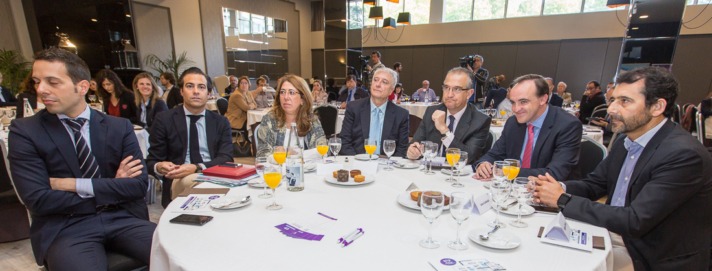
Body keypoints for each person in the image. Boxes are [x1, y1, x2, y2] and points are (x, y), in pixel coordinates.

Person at [533, 67, 712, 270]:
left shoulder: (683, 155)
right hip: (617, 236)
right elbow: (595, 185)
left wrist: (562, 199)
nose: (611, 109)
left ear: (657, 107)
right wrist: (557, 187)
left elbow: (634, 220)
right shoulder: (626, 141)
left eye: (624, 101)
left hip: (651, 256)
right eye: (613, 100)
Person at [8, 48, 155, 270]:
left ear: (82, 87)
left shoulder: (119, 127)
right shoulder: (25, 131)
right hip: (65, 226)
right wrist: (112, 187)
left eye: (53, 82)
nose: (41, 90)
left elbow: (137, 186)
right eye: (37, 81)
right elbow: (38, 199)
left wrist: (73, 185)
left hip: (124, 219)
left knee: (184, 255)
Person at [146, 67, 233, 208]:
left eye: (201, 87)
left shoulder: (220, 122)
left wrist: (196, 167)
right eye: (190, 86)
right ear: (181, 91)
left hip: (212, 175)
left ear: (209, 93)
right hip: (178, 178)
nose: (196, 91)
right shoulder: (164, 120)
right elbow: (152, 161)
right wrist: (160, 166)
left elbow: (226, 157)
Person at [473, 74, 582, 181]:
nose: (515, 109)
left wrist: (505, 172)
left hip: (549, 194)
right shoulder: (513, 122)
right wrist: (484, 164)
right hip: (512, 190)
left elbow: (555, 173)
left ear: (543, 99)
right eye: (513, 102)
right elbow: (494, 154)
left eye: (523, 102)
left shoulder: (567, 125)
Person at [407, 67, 491, 164]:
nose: (449, 94)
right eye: (446, 88)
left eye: (457, 89)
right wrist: (412, 151)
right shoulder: (432, 111)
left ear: (469, 93)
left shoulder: (480, 121)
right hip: (430, 172)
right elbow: (415, 143)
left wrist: (445, 131)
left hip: (458, 175)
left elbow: (468, 157)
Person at [340, 67, 409, 157]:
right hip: (357, 163)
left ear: (391, 90)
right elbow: (344, 142)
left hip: (386, 166)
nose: (378, 84)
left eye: (384, 82)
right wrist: (358, 163)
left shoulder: (401, 115)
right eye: (375, 80)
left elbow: (402, 149)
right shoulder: (354, 108)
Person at [255, 75, 327, 158]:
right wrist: (290, 154)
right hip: (277, 170)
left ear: (302, 99)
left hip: (307, 170)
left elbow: (323, 151)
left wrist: (293, 153)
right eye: (282, 92)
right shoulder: (270, 120)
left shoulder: (311, 120)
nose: (286, 97)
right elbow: (262, 155)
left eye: (291, 92)